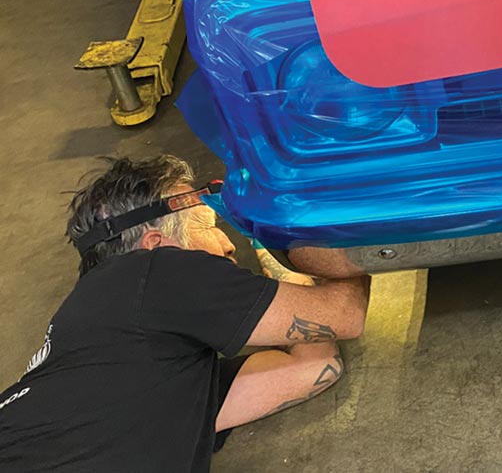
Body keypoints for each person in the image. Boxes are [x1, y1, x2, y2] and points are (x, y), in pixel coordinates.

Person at [0, 156, 372, 471]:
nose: (229, 246)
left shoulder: (138, 370)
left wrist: (272, 260)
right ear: (157, 246)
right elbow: (345, 314)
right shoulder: (151, 273)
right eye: (208, 227)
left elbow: (315, 366)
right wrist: (337, 229)